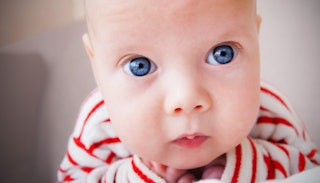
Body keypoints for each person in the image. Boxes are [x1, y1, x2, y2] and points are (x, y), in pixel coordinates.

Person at [58, 0, 320, 182]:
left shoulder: (270, 111)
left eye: (222, 54)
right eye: (140, 66)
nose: (186, 99)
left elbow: (311, 168)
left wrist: (245, 166)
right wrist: (135, 176)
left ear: (255, 38)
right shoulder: (99, 124)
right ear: (95, 63)